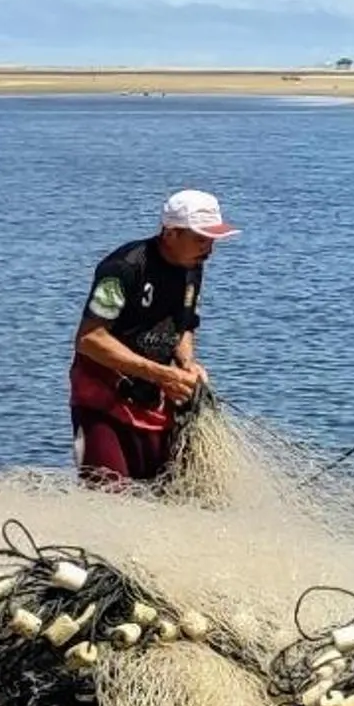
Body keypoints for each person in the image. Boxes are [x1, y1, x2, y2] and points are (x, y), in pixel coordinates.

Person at [71, 188, 236, 487]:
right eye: (201, 238)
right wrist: (162, 374)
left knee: (170, 494)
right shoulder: (123, 268)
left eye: (213, 239)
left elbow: (184, 325)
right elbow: (90, 339)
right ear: (170, 233)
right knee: (109, 496)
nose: (209, 249)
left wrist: (187, 363)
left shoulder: (193, 268)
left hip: (155, 399)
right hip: (103, 400)